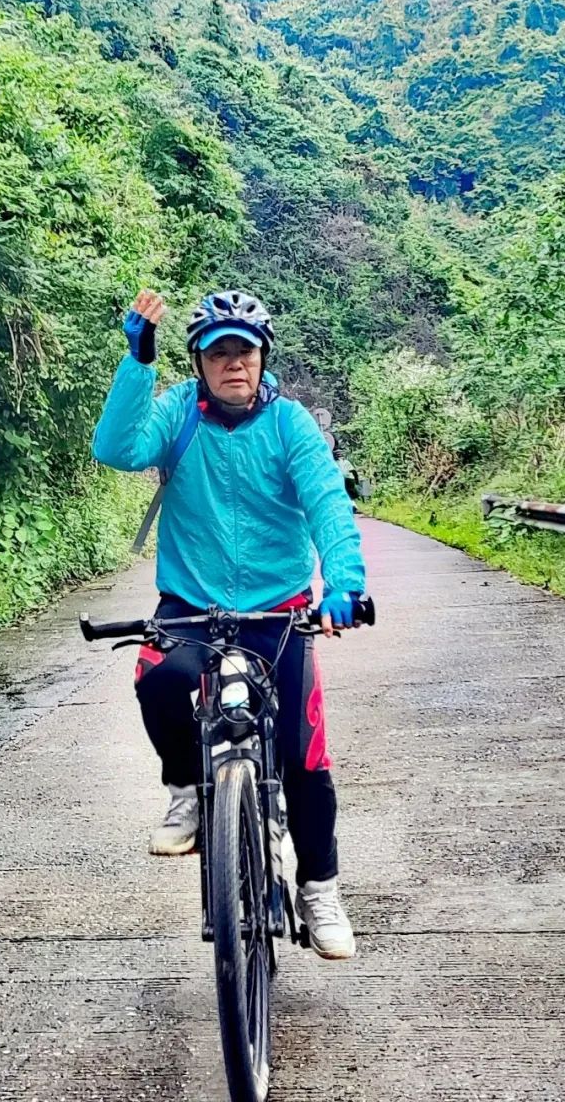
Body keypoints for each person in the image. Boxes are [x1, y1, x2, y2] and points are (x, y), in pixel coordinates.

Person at [91, 287, 368, 960]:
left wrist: (344, 586)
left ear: (262, 356)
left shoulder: (290, 425)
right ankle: (187, 787)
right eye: (218, 354)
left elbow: (327, 504)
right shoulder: (178, 412)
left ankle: (319, 889)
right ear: (199, 363)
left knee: (305, 758)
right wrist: (137, 359)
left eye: (243, 351)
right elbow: (117, 448)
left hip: (277, 612)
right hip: (190, 607)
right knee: (158, 681)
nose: (232, 364)